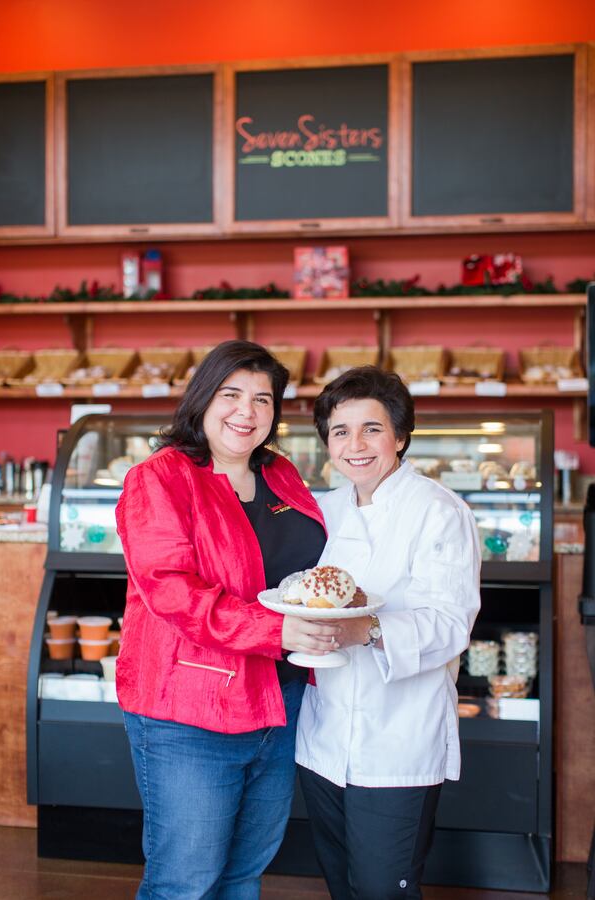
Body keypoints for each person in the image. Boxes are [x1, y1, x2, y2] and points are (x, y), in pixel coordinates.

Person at [115, 340, 341, 899]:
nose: (247, 412)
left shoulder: (281, 473)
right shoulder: (160, 478)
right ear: (202, 399)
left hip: (281, 700)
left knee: (243, 874)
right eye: (231, 394)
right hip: (190, 710)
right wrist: (277, 630)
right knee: (185, 882)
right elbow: (170, 590)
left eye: (263, 399)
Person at [295, 366, 482, 900]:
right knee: (342, 885)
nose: (355, 445)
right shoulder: (323, 511)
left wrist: (366, 629)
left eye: (371, 429)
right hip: (324, 738)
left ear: (400, 436)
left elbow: (450, 622)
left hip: (398, 739)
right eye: (340, 431)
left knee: (383, 890)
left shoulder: (439, 511)